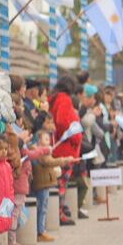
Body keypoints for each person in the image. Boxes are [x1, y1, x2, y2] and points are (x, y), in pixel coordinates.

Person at [48, 75, 82, 225]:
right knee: (62, 184)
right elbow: (62, 121)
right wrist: (73, 137)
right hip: (65, 148)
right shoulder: (64, 99)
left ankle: (57, 212)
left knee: (58, 183)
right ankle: (60, 214)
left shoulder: (53, 98)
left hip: (57, 146)